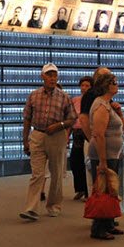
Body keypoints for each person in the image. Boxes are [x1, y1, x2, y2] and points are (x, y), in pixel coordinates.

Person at [19, 63, 76, 221]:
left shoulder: (64, 96)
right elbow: (27, 118)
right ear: (42, 76)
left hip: (57, 136)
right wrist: (25, 141)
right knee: (37, 173)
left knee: (56, 173)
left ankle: (53, 206)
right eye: (49, 75)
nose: (52, 78)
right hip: (37, 135)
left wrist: (60, 125)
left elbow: (72, 118)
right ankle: (31, 208)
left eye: (54, 75)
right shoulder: (34, 95)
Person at [88, 72, 124, 240]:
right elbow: (99, 135)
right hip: (104, 155)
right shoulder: (101, 106)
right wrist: (102, 160)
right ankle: (99, 228)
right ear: (106, 86)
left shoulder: (109, 105)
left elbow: (120, 127)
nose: (117, 85)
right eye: (114, 82)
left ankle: (109, 223)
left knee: (111, 189)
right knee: (103, 189)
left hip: (112, 154)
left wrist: (120, 112)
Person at [69, 76, 93, 200]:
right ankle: (80, 188)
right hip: (76, 132)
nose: (84, 88)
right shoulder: (75, 100)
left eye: (87, 86)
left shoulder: (93, 100)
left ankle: (88, 191)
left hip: (87, 132)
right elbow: (70, 118)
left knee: (86, 162)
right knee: (75, 161)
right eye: (82, 85)